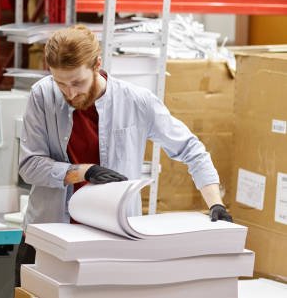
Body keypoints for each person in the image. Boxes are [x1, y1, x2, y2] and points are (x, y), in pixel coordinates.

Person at [14, 25, 232, 286]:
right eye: (61, 83)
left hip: (110, 244)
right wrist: (84, 172)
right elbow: (29, 166)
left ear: (97, 64)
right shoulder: (42, 95)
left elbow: (190, 148)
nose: (70, 93)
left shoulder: (136, 101)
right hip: (47, 239)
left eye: (77, 82)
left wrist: (215, 204)